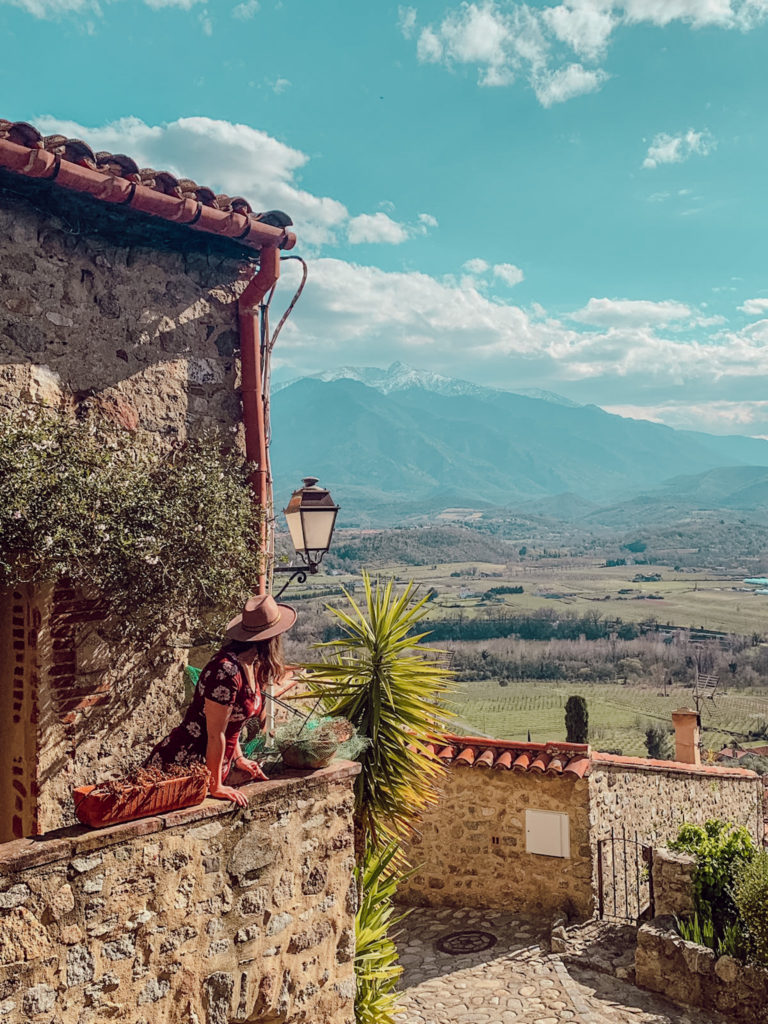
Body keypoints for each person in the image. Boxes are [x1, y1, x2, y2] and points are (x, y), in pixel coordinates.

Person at [145, 594, 297, 806]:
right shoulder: (225, 671)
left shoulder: (250, 665)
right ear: (271, 639)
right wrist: (215, 786)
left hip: (208, 767)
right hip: (186, 762)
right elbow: (215, 733)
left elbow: (232, 725)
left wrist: (239, 759)